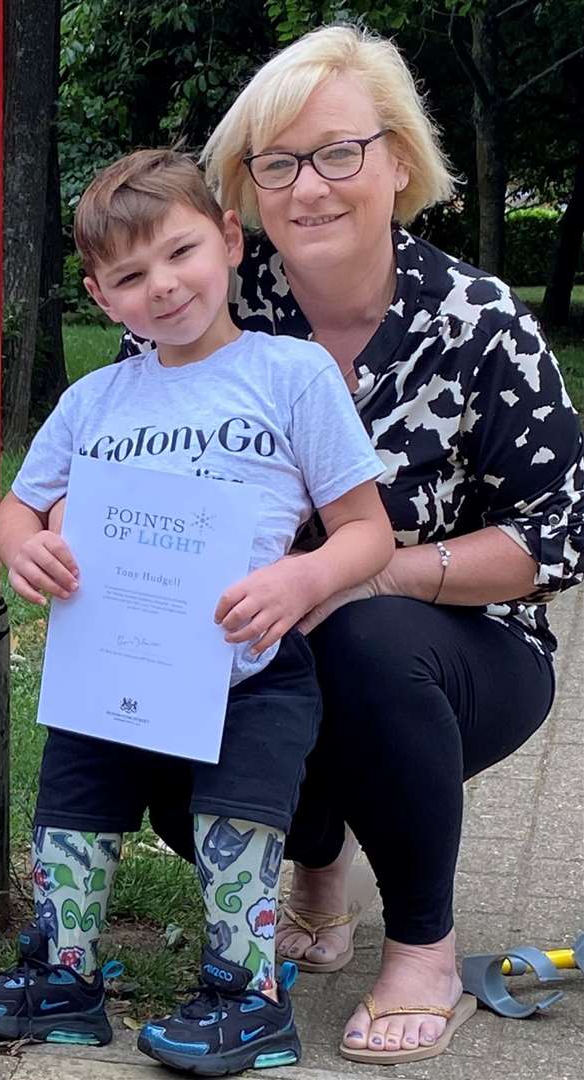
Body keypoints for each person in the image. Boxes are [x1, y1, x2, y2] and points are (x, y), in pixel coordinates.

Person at [116, 24, 584, 1065]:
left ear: (399, 162)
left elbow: (555, 538)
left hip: (457, 642)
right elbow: (122, 467)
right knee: (150, 708)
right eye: (272, 163)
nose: (307, 187)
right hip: (250, 635)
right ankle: (317, 869)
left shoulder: (478, 324)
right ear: (239, 194)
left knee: (359, 639)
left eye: (338, 152)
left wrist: (377, 571)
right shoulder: (202, 305)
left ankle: (421, 946)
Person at [0, 149, 394, 1075]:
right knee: (73, 807)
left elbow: (365, 531)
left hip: (249, 661)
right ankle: (63, 978)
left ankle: (244, 995)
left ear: (229, 241)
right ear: (101, 297)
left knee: (236, 823)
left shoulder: (290, 375)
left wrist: (301, 582)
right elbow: (14, 509)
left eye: (180, 253)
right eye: (129, 276)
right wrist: (20, 546)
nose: (162, 286)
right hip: (112, 660)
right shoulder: (94, 398)